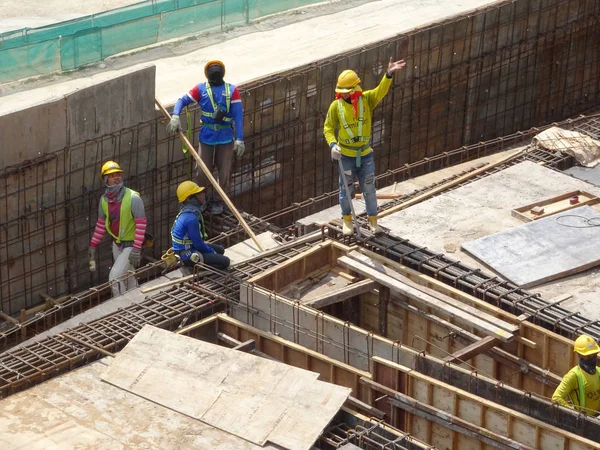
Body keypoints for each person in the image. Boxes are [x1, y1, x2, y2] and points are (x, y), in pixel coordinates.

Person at [323, 57, 406, 236]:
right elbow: (328, 128)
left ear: (355, 88)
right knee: (346, 189)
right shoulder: (335, 107)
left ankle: (373, 221)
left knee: (369, 188)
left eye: (347, 90)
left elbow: (380, 91)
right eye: (342, 91)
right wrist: (332, 145)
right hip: (345, 156)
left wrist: (388, 75)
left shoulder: (366, 100)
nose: (344, 94)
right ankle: (347, 221)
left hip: (365, 154)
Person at [167, 60, 244, 215]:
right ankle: (201, 200)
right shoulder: (200, 89)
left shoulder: (231, 90)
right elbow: (182, 100)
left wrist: (239, 138)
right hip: (207, 137)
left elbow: (238, 115)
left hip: (225, 137)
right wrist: (175, 115)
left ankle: (218, 201)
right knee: (202, 173)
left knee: (224, 173)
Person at [88, 161, 147, 296]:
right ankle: (138, 299)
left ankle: (120, 306)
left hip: (131, 245)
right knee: (128, 275)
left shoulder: (133, 198)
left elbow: (141, 225)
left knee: (114, 277)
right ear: (105, 180)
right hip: (117, 243)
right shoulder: (104, 201)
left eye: (118, 174)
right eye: (112, 175)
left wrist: (136, 249)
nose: (116, 177)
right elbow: (101, 225)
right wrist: (93, 246)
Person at [171, 180, 230, 271]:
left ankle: (199, 262)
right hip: (187, 254)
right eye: (199, 194)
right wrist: (212, 252)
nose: (203, 195)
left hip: (190, 247)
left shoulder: (188, 211)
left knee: (221, 250)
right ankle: (192, 269)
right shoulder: (191, 218)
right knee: (225, 262)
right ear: (190, 198)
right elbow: (198, 244)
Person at [551, 334, 600, 415]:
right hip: (583, 421)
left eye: (594, 354)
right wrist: (575, 413)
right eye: (588, 356)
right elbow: (556, 398)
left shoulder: (598, 372)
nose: (592, 358)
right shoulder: (573, 375)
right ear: (580, 355)